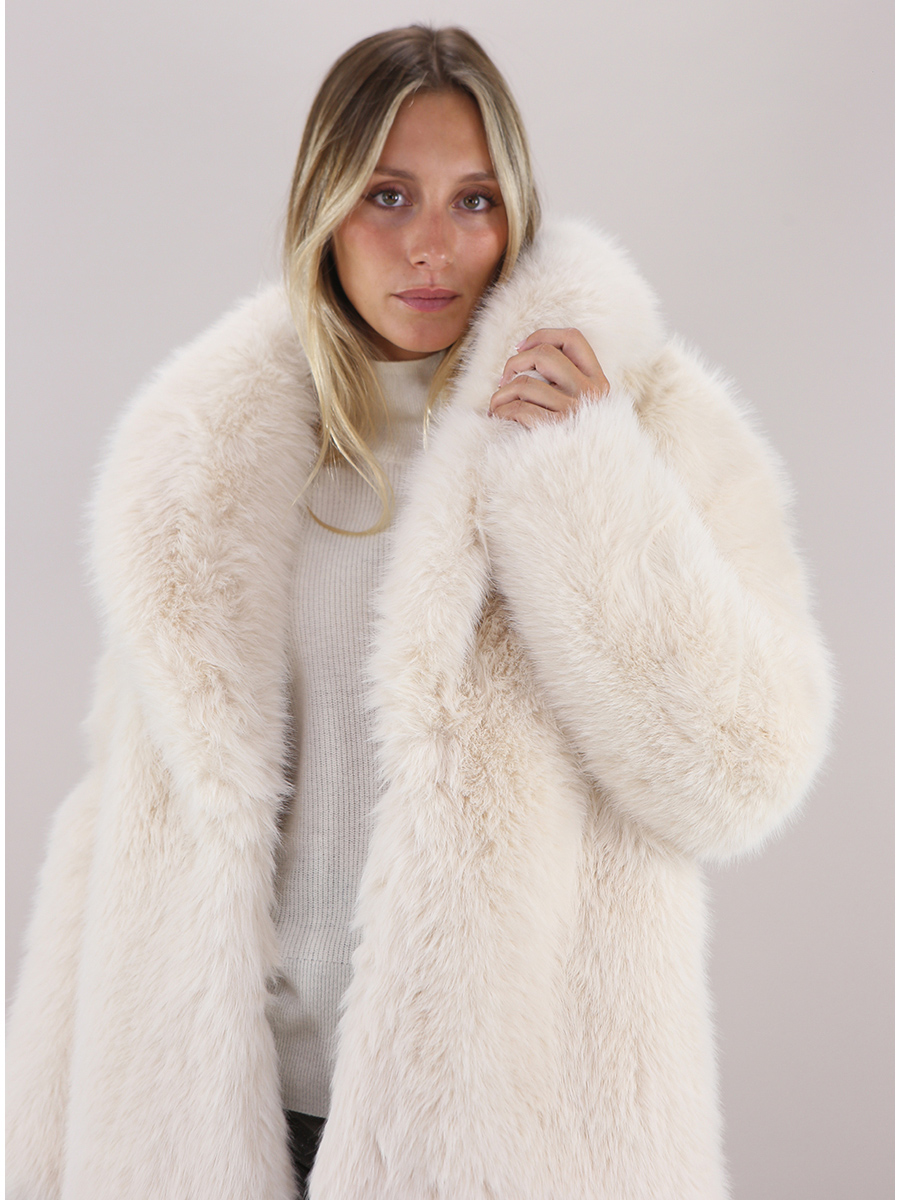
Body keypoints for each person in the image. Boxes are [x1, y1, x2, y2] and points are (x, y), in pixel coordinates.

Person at [6, 24, 833, 1200]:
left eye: (474, 200)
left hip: (513, 1141)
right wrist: (39, 1153)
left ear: (517, 213)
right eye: (388, 195)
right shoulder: (213, 464)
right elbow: (119, 833)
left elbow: (744, 769)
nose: (433, 245)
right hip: (213, 1123)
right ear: (323, 205)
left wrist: (588, 480)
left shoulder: (638, 419)